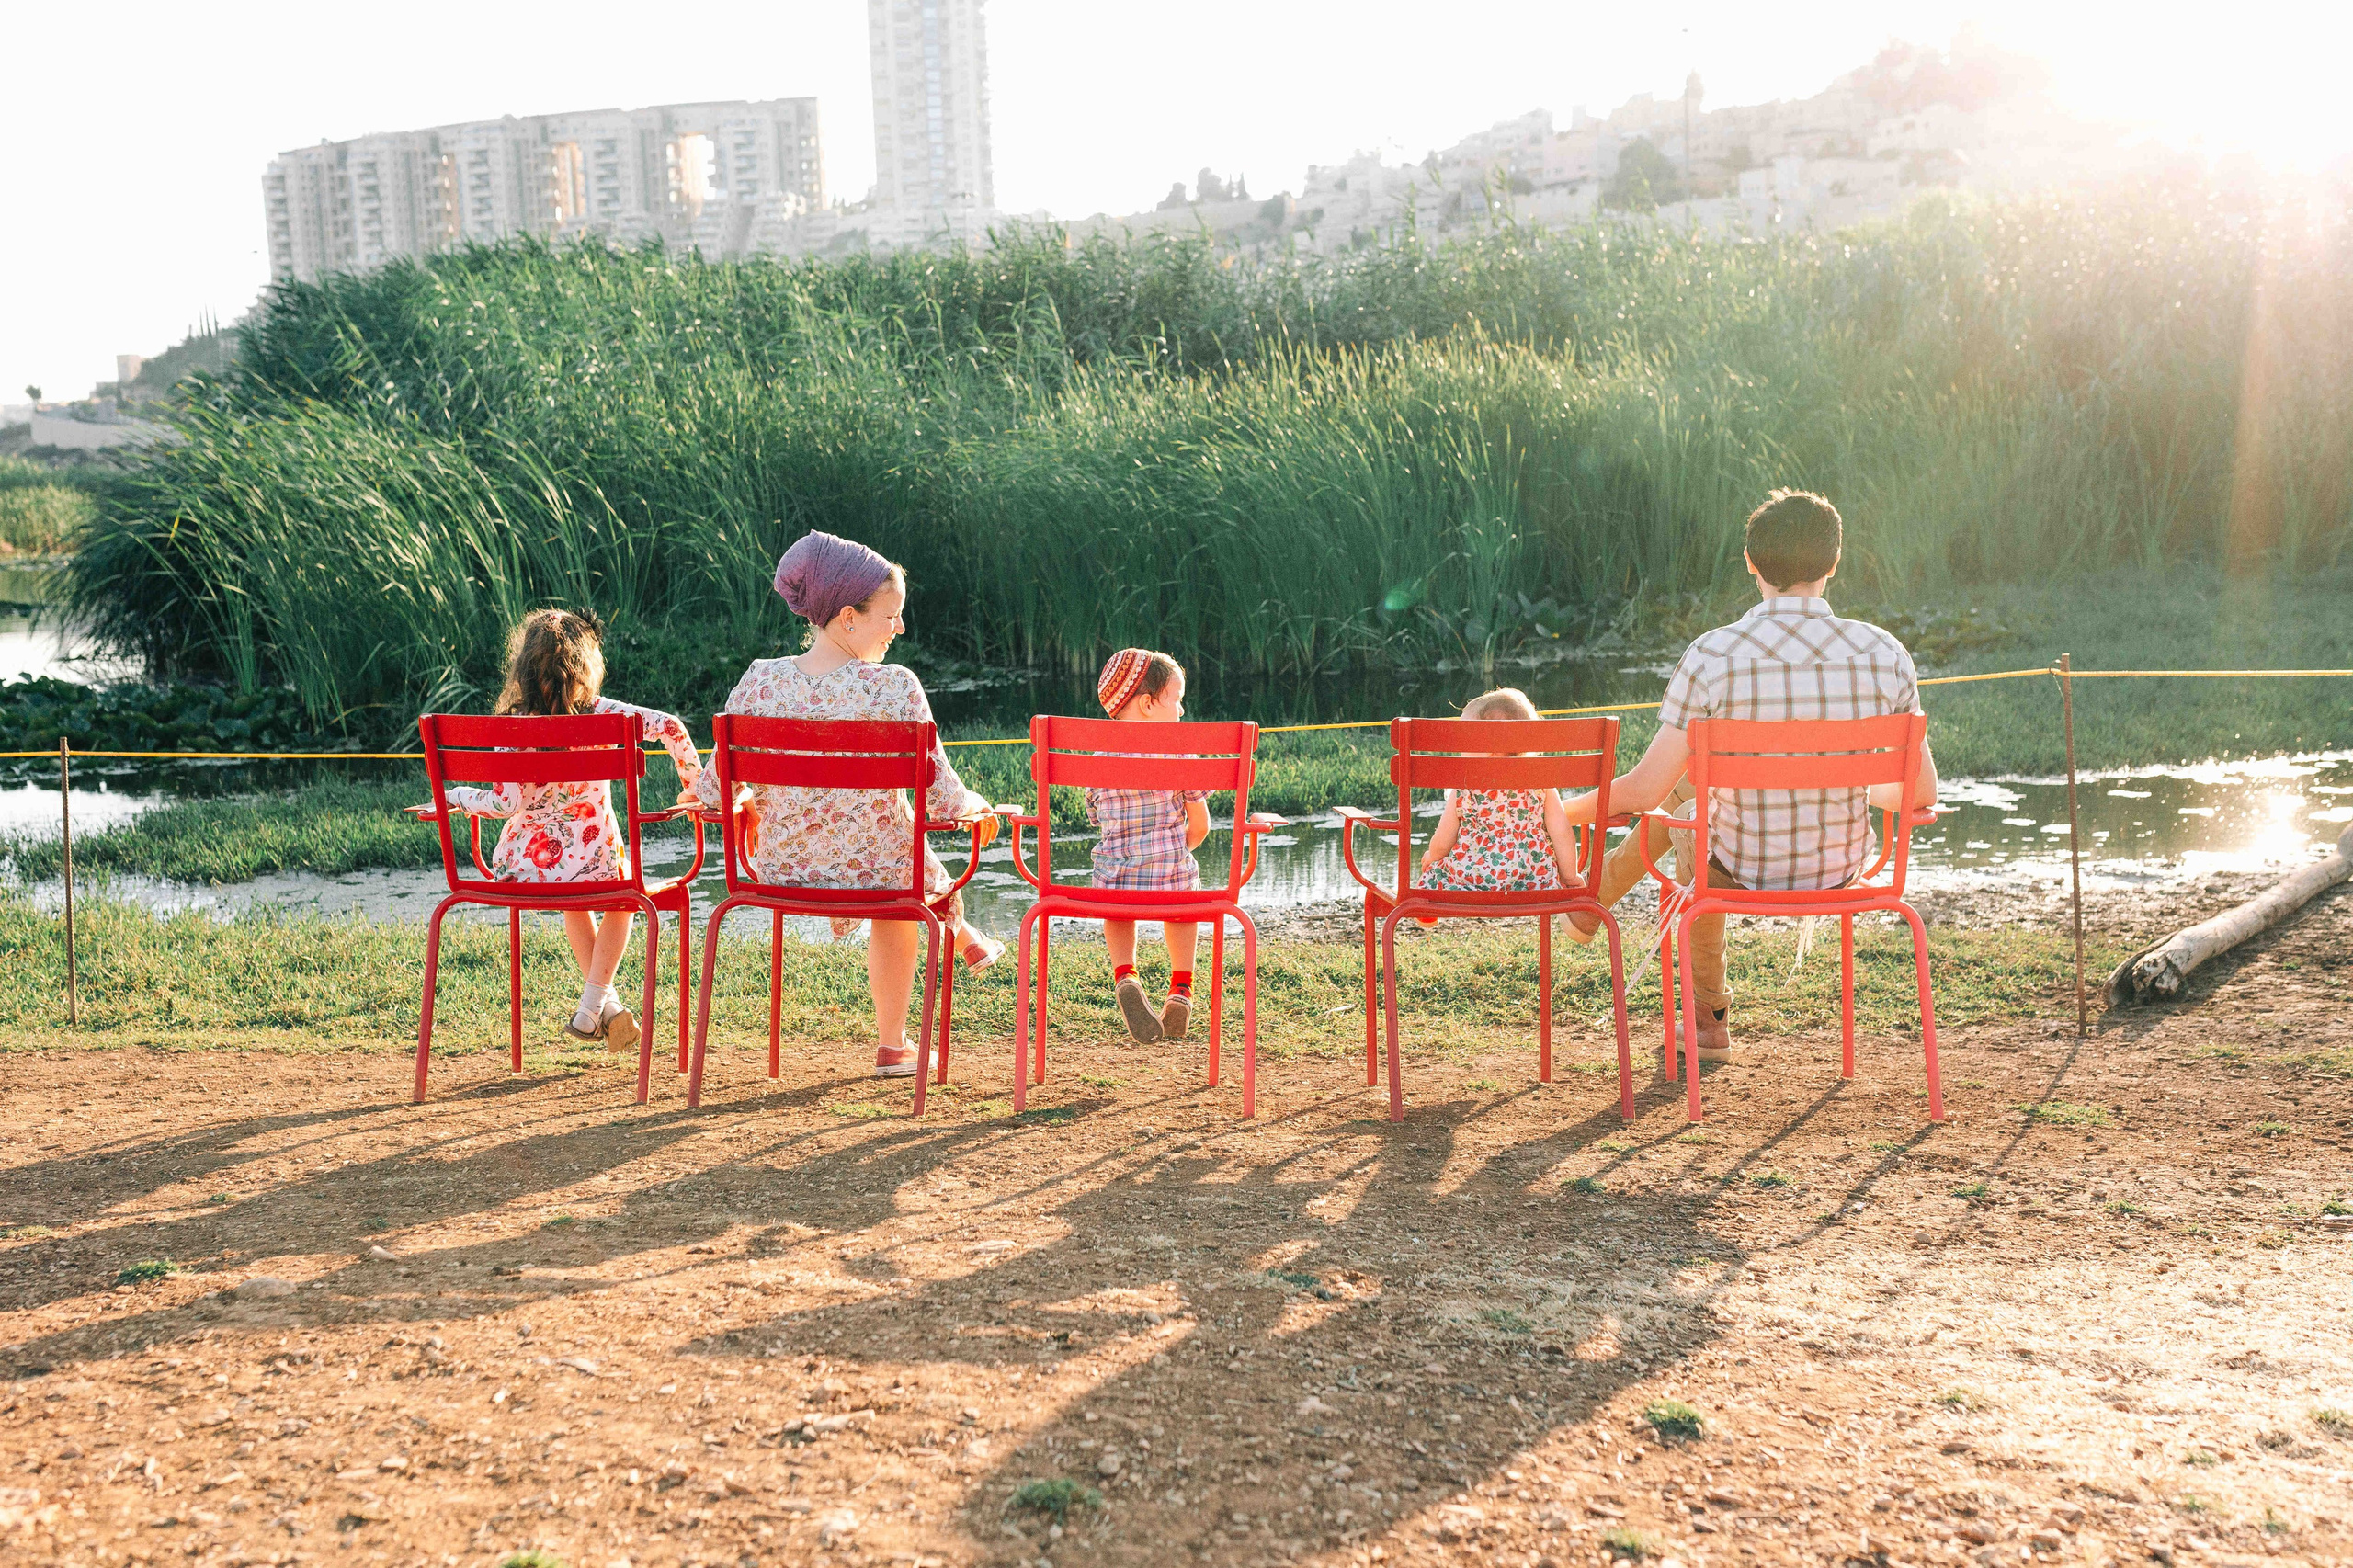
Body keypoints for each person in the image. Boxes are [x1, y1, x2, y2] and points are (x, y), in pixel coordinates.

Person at [1561, 490, 1939, 1062]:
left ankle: (1701, 1014)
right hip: (1841, 869)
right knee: (1693, 788)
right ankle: (1597, 900)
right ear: (1834, 563)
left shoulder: (1713, 654)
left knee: (1687, 805)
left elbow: (1641, 792)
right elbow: (1922, 792)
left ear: (1750, 562)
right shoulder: (1885, 653)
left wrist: (1554, 813)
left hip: (1737, 868)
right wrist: (1842, 781)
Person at [693, 531, 1001, 1079]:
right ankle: (894, 1042)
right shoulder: (895, 688)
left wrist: (725, 796)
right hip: (878, 875)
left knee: (893, 845)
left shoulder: (757, 682)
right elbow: (945, 797)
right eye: (891, 615)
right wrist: (977, 803)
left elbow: (714, 792)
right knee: (901, 872)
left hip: (783, 871)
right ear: (848, 617)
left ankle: (956, 945)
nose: (900, 628)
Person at [426, 608, 704, 1054]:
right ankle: (593, 1004)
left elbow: (503, 803)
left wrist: (457, 796)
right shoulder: (604, 713)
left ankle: (605, 1012)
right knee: (622, 895)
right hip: (595, 862)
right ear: (586, 665)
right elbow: (671, 726)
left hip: (533, 869)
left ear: (522, 668)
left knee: (576, 893)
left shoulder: (512, 728)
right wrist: (693, 788)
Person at [1088, 648, 1211, 1044]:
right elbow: (1201, 825)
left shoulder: (1097, 756)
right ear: (1147, 704)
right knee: (1183, 899)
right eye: (1176, 700)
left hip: (1115, 879)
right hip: (1171, 874)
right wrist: (1177, 849)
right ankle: (1181, 988)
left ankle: (1126, 975)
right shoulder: (1179, 752)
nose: (1182, 711)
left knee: (1117, 901)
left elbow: (1097, 818)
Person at [1416, 687, 1585, 896]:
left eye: (1464, 738)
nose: (1459, 746)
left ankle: (1427, 910)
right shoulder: (1541, 782)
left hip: (1472, 880)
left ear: (1489, 746)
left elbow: (1443, 841)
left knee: (1435, 874)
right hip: (1534, 880)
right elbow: (1562, 832)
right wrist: (1569, 875)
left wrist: (1432, 856)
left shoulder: (1465, 786)